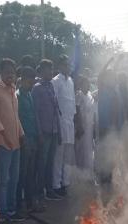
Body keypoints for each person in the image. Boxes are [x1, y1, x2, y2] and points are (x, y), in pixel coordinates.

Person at [0, 58, 25, 224]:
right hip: (3, 145)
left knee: (14, 180)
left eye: (13, 72)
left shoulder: (12, 90)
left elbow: (15, 117)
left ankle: (11, 210)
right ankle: (3, 217)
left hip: (16, 144)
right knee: (3, 181)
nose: (11, 75)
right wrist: (5, 137)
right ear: (0, 72)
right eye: (7, 71)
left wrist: (21, 134)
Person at [32, 59, 61, 201]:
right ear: (42, 71)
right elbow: (35, 112)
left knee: (50, 162)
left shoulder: (51, 86)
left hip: (54, 130)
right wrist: (39, 133)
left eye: (52, 69)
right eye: (48, 69)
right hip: (44, 132)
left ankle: (49, 190)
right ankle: (39, 193)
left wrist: (58, 130)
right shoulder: (37, 88)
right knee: (41, 164)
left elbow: (56, 109)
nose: (51, 72)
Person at [51, 55, 76, 197]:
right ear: (60, 66)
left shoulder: (71, 81)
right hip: (60, 123)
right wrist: (57, 125)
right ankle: (56, 184)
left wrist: (75, 121)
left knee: (68, 156)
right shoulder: (56, 81)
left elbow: (72, 103)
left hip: (70, 122)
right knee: (58, 156)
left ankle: (66, 182)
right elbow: (54, 104)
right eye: (65, 64)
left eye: (69, 64)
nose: (68, 67)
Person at [16, 66, 39, 212]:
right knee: (21, 175)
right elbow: (17, 120)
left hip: (33, 138)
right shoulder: (17, 96)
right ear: (23, 80)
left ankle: (30, 203)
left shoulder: (30, 95)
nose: (31, 85)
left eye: (33, 82)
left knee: (31, 174)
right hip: (24, 140)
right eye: (30, 82)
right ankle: (19, 205)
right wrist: (22, 138)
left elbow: (33, 117)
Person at [75, 75, 96, 177]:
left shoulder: (90, 95)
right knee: (80, 150)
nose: (87, 85)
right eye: (85, 83)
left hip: (89, 127)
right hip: (81, 127)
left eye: (88, 83)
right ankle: (79, 175)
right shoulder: (78, 95)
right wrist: (79, 125)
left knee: (88, 150)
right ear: (81, 84)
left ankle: (88, 174)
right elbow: (77, 110)